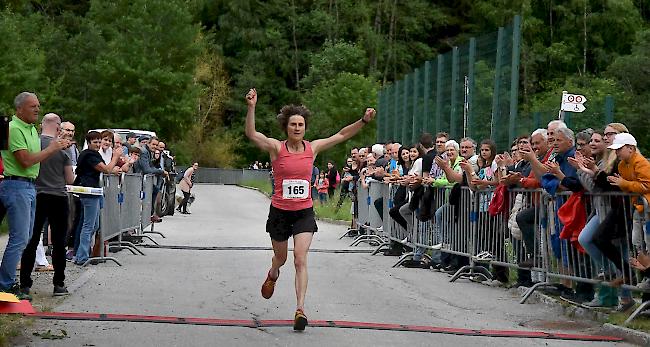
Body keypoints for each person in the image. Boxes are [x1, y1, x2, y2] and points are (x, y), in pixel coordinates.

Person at [245, 87, 375, 331]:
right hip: (280, 212)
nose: (297, 128)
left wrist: (363, 121)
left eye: (301, 125)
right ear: (286, 127)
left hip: (304, 211)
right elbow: (251, 134)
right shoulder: (276, 148)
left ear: (305, 128)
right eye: (293, 124)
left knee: (300, 259)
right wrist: (251, 107)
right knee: (282, 258)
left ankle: (300, 310)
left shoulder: (312, 148)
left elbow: (341, 135)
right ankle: (273, 272)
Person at [0, 92, 69, 300]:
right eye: (32, 106)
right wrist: (53, 148)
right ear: (19, 109)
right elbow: (26, 161)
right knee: (19, 238)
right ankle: (5, 284)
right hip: (16, 185)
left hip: (30, 186)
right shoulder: (14, 129)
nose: (37, 110)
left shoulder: (31, 130)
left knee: (27, 238)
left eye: (38, 106)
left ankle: (8, 281)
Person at [19, 113, 75, 296]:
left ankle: (25, 283)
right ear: (59, 128)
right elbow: (70, 178)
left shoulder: (34, 143)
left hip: (36, 194)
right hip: (58, 195)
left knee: (32, 239)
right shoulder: (63, 148)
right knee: (59, 242)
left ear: (42, 125)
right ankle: (59, 283)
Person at [73, 131, 122, 265]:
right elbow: (105, 169)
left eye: (99, 142)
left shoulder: (94, 154)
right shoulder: (89, 155)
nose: (98, 144)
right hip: (89, 192)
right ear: (88, 142)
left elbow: (105, 169)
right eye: (95, 142)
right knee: (88, 225)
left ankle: (82, 253)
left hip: (94, 191)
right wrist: (115, 157)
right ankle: (81, 256)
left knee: (93, 225)